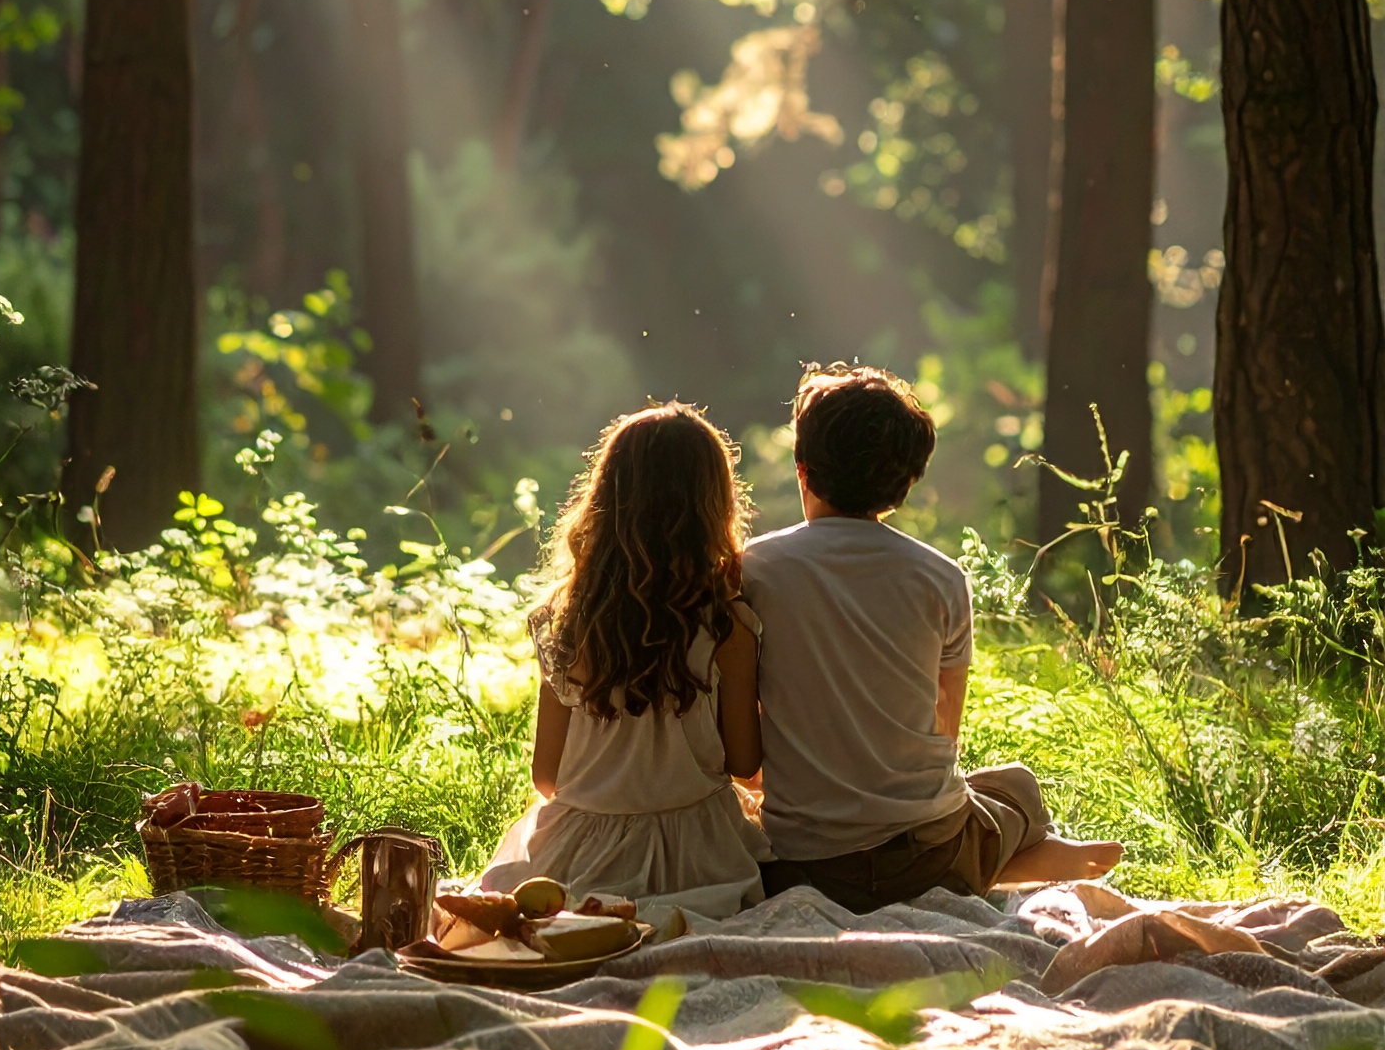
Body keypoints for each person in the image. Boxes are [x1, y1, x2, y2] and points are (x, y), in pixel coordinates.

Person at [743, 363, 1122, 911]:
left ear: (802, 471)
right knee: (1014, 787)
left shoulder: (755, 569)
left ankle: (1003, 863)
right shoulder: (940, 577)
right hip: (927, 852)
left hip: (804, 864)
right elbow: (946, 733)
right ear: (904, 486)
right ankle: (1015, 861)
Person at [481, 402, 770, 916]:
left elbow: (546, 776)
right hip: (697, 857)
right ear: (714, 506)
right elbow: (746, 765)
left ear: (605, 501)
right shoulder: (728, 625)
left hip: (577, 855)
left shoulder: (566, 620)